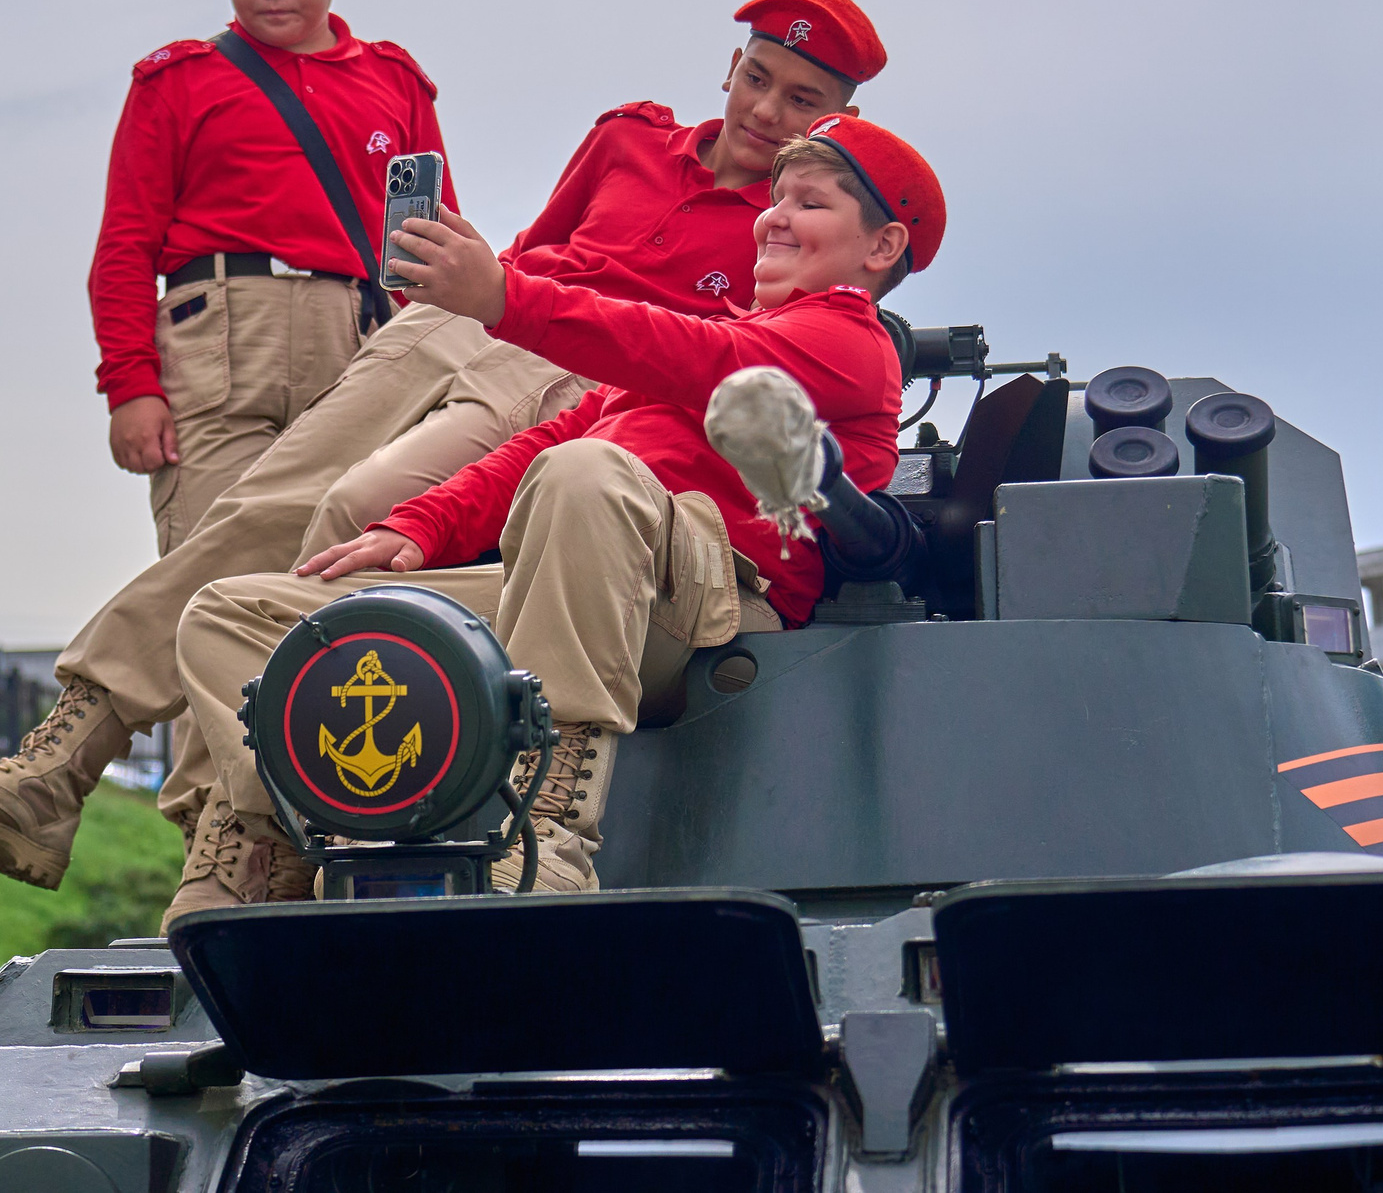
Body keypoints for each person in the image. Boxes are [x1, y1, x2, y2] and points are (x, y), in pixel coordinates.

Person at [0, 0, 890, 892]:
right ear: (729, 68)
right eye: (756, 77)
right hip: (481, 321)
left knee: (347, 517)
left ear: (836, 124)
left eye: (801, 101)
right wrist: (464, 290)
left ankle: (246, 836)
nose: (764, 113)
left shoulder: (795, 222)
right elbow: (541, 247)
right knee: (268, 506)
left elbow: (704, 362)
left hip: (595, 372)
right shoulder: (628, 138)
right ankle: (61, 760)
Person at [166, 114, 943, 916]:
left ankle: (549, 824)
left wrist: (505, 297)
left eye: (809, 203)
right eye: (774, 196)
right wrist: (417, 527)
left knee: (585, 473)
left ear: (880, 247)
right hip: (563, 579)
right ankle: (300, 833)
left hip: (701, 606)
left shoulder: (848, 341)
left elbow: (692, 366)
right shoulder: (726, 331)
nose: (773, 214)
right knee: (230, 615)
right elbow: (550, 433)